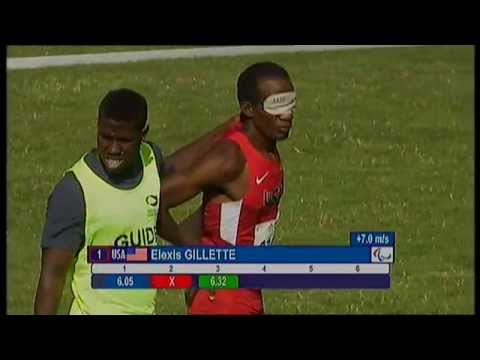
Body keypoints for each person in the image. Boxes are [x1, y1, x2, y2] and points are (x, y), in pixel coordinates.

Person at [34, 88, 238, 315]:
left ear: (143, 135)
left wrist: (231, 127)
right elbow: (52, 278)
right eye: (105, 137)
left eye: (123, 140)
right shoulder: (74, 191)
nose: (113, 149)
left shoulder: (149, 161)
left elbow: (154, 209)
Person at [160, 62, 296, 315]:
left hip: (247, 290)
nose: (286, 113)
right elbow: (154, 201)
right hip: (222, 298)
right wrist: (196, 257)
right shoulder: (231, 158)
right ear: (249, 109)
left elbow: (210, 215)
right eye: (276, 104)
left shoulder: (268, 150)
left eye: (290, 102)